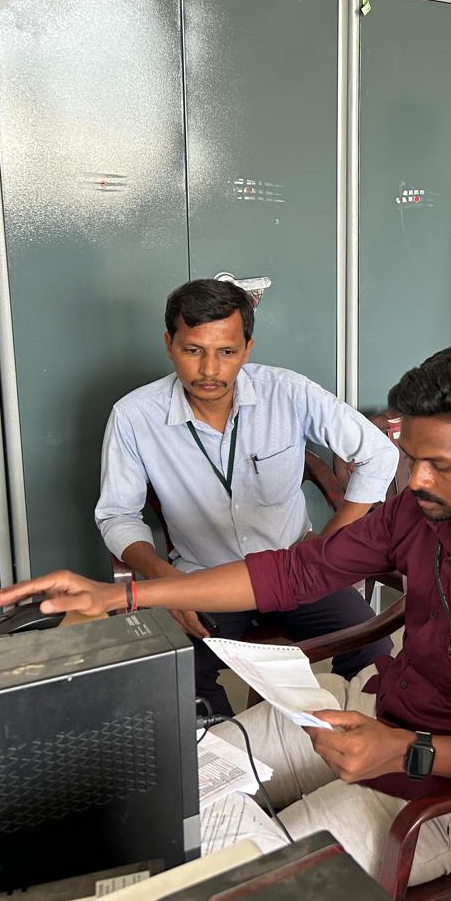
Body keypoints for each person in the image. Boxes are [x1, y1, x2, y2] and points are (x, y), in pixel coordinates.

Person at [0, 345, 451, 886]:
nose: (414, 480)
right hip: (372, 712)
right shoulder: (418, 510)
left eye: (439, 465)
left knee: (242, 880)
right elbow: (294, 572)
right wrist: (122, 595)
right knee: (172, 782)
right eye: (409, 457)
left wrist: (411, 751)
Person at [96, 278, 398, 716]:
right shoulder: (133, 415)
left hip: (294, 569)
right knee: (172, 675)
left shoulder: (288, 392)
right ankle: (232, 765)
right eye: (193, 350)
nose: (209, 371)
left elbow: (378, 454)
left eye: (226, 352)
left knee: (372, 645)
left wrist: (328, 545)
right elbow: (116, 515)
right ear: (168, 344)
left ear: (248, 348)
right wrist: (166, 582)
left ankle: (351, 749)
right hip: (203, 577)